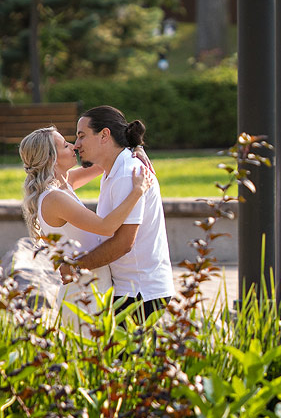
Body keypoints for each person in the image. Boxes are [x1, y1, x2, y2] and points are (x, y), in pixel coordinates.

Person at [18, 126, 151, 323]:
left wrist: (133, 149)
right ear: (51, 159)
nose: (73, 146)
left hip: (94, 287)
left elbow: (105, 162)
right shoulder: (54, 198)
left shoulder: (63, 183)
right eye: (65, 145)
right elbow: (107, 227)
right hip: (82, 295)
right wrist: (137, 192)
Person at [69, 106, 175, 319]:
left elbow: (124, 242)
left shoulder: (128, 173)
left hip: (140, 293)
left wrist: (75, 267)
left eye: (82, 136)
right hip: (129, 290)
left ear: (104, 135)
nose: (76, 145)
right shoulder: (113, 169)